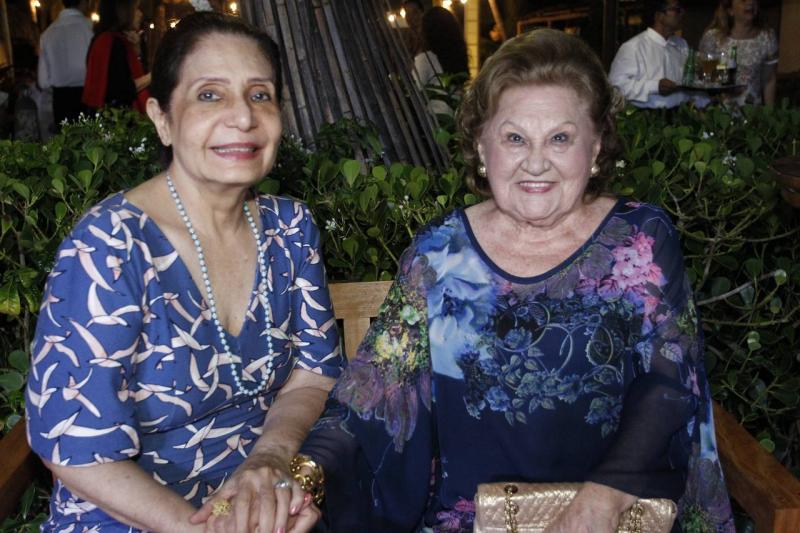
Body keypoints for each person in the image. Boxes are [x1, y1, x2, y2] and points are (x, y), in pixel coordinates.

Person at [300, 28, 734, 532]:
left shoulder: (639, 237)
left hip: (611, 511)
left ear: (596, 147)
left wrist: (602, 498)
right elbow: (374, 391)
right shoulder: (439, 253)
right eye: (514, 138)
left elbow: (669, 382)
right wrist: (304, 474)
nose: (536, 161)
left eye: (560, 138)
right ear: (482, 147)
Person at [25, 11, 344, 533]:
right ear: (162, 118)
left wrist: (269, 460)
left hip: (259, 508)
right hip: (129, 518)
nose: (243, 117)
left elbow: (314, 373)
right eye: (210, 95)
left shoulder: (290, 229)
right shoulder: (111, 247)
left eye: (260, 94)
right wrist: (206, 529)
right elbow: (73, 450)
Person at [609, 0, 690, 109]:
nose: (682, 13)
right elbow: (615, 88)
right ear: (659, 15)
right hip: (646, 116)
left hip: (682, 114)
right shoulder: (634, 47)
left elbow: (689, 85)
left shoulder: (681, 45)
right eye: (677, 10)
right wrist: (655, 86)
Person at [699, 0, 778, 105]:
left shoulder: (766, 38)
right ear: (730, 10)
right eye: (743, 0)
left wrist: (770, 111)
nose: (750, 2)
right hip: (719, 110)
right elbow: (704, 77)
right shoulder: (713, 38)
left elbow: (769, 80)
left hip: (752, 110)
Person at [82, 0, 150, 113]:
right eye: (135, 8)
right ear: (122, 11)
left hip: (103, 113)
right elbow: (122, 90)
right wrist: (152, 76)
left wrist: (137, 51)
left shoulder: (101, 38)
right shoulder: (114, 42)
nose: (140, 13)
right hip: (116, 116)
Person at [37, 0, 93, 127]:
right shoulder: (90, 29)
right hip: (88, 99)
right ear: (84, 2)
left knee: (65, 137)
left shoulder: (47, 34)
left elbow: (43, 81)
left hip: (61, 102)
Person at [412, 6, 469, 116]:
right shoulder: (457, 55)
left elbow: (414, 90)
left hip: (437, 118)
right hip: (457, 114)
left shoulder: (425, 59)